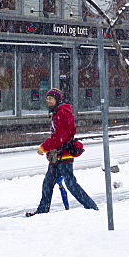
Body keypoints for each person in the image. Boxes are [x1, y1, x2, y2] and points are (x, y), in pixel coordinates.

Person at [26, 88, 99, 217]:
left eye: (51, 99)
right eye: (47, 99)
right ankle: (42, 211)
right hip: (57, 155)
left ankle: (91, 207)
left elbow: (60, 136)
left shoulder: (62, 113)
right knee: (48, 184)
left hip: (64, 155)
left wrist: (44, 147)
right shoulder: (57, 112)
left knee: (71, 184)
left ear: (57, 100)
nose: (48, 101)